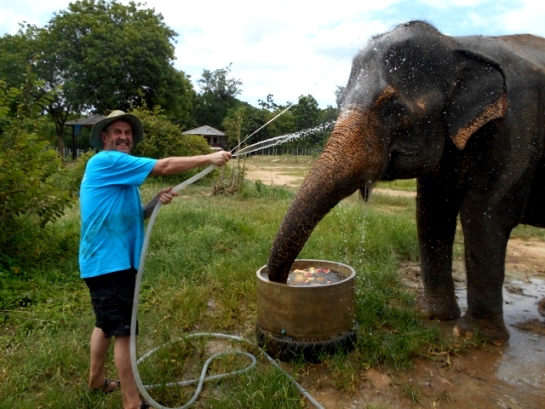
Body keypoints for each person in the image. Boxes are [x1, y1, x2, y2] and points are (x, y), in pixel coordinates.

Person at [79, 110, 231, 409]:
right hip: (111, 264)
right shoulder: (105, 161)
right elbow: (165, 166)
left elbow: (133, 215)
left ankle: (96, 381)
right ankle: (132, 403)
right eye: (117, 132)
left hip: (104, 262)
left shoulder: (120, 175)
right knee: (124, 331)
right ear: (105, 138)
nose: (124, 136)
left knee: (105, 324)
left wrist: (152, 202)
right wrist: (208, 158)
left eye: (128, 132)